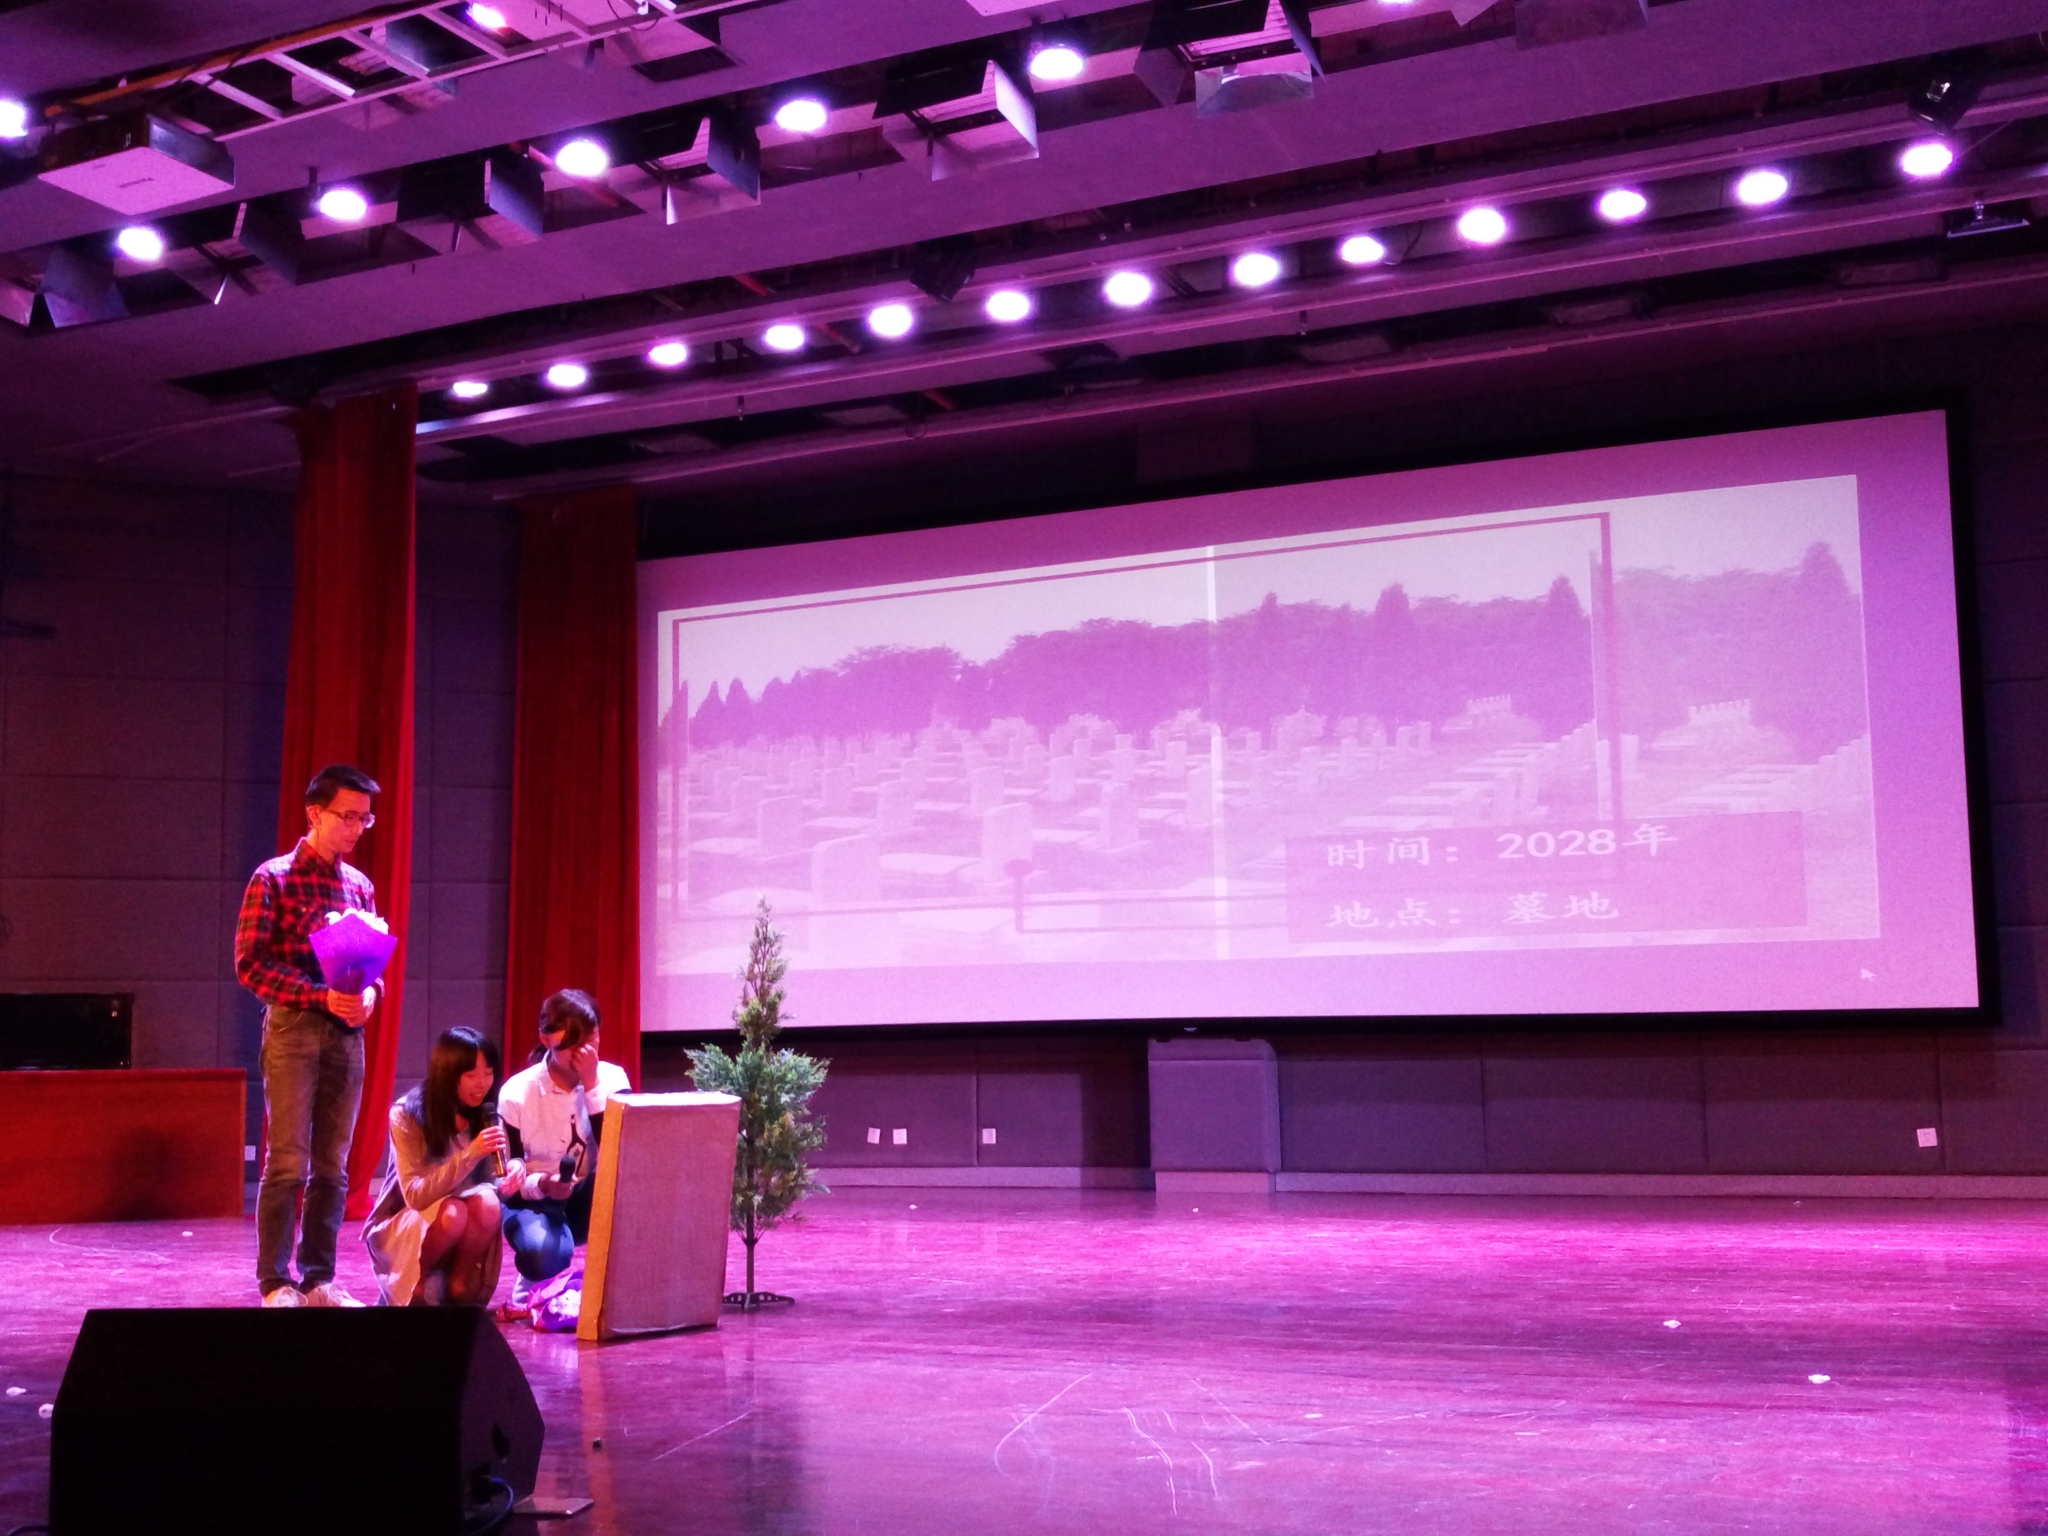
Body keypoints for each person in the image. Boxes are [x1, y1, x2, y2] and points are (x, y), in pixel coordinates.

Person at [235, 763, 385, 1308]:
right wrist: (319, 995)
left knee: (333, 1165)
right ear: (314, 814)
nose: (356, 828)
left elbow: (373, 965)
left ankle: (319, 1278)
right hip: (294, 1028)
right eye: (347, 817)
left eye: (364, 820)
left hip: (346, 1033)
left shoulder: (359, 886)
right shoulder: (273, 878)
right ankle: (275, 1282)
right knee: (287, 1160)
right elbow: (250, 964)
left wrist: (371, 995)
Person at [364, 1028, 523, 1307]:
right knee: (453, 1212)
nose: (482, 1084)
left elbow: (493, 1183)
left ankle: (459, 1284)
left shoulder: (486, 1114)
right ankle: (416, 1281)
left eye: (488, 1073)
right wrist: (471, 1153)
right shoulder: (407, 1114)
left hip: (463, 1226)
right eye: (471, 1075)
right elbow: (415, 1196)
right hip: (409, 1220)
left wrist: (512, 1174)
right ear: (448, 1074)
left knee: (488, 1204)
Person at [496, 990, 633, 1312]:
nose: (583, 1051)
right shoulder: (517, 1093)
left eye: (591, 1038)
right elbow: (508, 1180)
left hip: (588, 1196)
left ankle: (617, 1289)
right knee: (542, 1252)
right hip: (533, 1202)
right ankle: (537, 1278)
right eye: (572, 1042)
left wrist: (592, 1084)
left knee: (631, 1180)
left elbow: (624, 1150)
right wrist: (545, 1184)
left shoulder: (613, 1079)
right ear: (546, 1039)